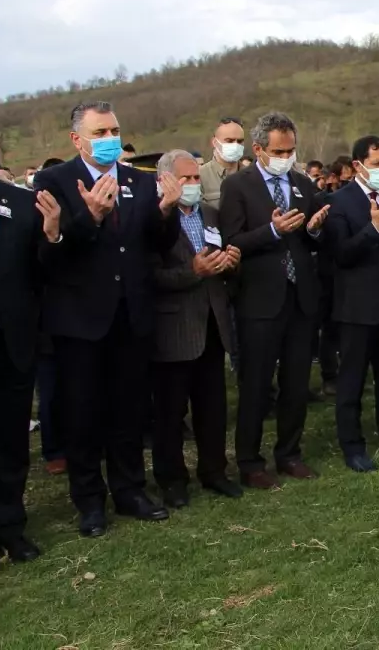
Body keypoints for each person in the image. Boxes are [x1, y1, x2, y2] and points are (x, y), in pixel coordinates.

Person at [34, 101, 182, 536]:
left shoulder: (138, 179)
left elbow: (156, 243)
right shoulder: (54, 182)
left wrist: (166, 211)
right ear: (77, 139)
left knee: (129, 408)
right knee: (83, 413)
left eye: (113, 130)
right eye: (99, 133)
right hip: (81, 320)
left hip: (130, 314)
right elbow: (48, 256)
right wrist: (89, 217)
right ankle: (90, 501)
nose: (109, 140)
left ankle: (130, 489)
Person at [219, 112, 330, 489]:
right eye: (279, 150)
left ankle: (289, 453)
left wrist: (314, 230)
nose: (287, 156)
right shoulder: (238, 186)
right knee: (256, 384)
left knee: (297, 381)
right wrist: (270, 230)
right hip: (259, 299)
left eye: (291, 149)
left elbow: (312, 236)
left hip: (300, 298)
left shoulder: (301, 184)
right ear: (259, 149)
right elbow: (232, 240)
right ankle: (250, 462)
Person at [147, 150, 242, 507]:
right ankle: (172, 480)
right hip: (174, 327)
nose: (191, 185)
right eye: (184, 179)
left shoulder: (211, 214)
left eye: (195, 178)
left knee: (213, 407)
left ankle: (214, 471)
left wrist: (230, 264)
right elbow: (151, 275)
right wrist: (193, 272)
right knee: (171, 412)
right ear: (165, 181)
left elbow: (221, 263)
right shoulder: (155, 219)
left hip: (213, 325)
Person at [0, 138, 54, 572]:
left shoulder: (19, 200)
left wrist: (53, 235)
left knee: (10, 444)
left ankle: (11, 527)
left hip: (15, 343)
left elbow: (41, 268)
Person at [325, 136, 379, 470]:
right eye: (376, 164)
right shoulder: (340, 203)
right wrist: (374, 227)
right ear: (358, 165)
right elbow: (341, 255)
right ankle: (352, 446)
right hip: (357, 307)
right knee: (352, 380)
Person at [200, 117, 246, 209]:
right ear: (214, 142)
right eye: (229, 141)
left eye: (240, 141)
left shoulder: (253, 175)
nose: (235, 145)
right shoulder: (200, 176)